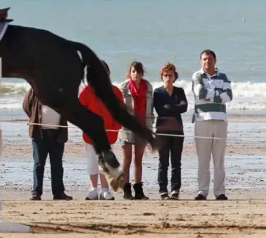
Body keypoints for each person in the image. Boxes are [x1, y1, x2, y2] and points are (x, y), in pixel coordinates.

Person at [79, 60, 124, 201]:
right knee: (92, 161)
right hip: (91, 134)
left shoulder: (115, 91)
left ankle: (105, 190)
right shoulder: (86, 91)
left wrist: (116, 126)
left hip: (108, 134)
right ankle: (93, 188)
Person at [192, 49, 232, 200]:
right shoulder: (197, 76)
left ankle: (220, 191)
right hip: (202, 120)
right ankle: (202, 191)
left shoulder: (223, 76)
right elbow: (200, 93)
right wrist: (218, 96)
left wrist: (212, 96)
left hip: (220, 120)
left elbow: (229, 96)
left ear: (215, 61)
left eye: (209, 59)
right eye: (204, 59)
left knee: (219, 158)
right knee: (203, 158)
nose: (207, 62)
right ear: (200, 61)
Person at [22, 88, 72, 200]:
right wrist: (34, 117)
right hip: (39, 133)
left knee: (57, 164)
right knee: (39, 164)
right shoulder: (36, 89)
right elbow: (26, 105)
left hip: (58, 134)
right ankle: (36, 192)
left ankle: (58, 193)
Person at [118, 61, 155, 200]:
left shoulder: (148, 86)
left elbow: (150, 108)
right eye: (134, 71)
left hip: (143, 126)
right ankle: (126, 189)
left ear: (142, 73)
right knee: (127, 159)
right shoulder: (124, 87)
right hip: (127, 127)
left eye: (139, 72)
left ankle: (139, 189)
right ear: (130, 72)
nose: (136, 74)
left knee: (138, 160)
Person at [153, 62, 188, 200]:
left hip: (177, 130)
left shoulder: (179, 91)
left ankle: (175, 189)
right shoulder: (158, 92)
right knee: (163, 162)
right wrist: (175, 107)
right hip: (162, 131)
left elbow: (184, 107)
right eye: (166, 75)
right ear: (162, 76)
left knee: (176, 162)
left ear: (175, 77)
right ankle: (163, 189)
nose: (168, 78)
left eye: (171, 75)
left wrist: (170, 107)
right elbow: (159, 109)